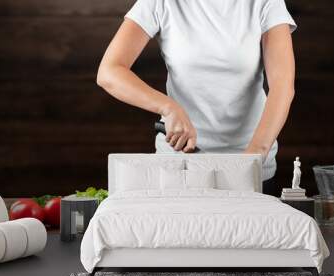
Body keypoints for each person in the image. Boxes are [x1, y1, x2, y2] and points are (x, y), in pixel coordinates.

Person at [96, 0, 297, 197]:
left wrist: (251, 160)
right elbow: (109, 72)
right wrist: (168, 108)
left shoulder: (266, 3)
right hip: (179, 169)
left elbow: (282, 87)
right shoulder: (159, 2)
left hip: (252, 167)